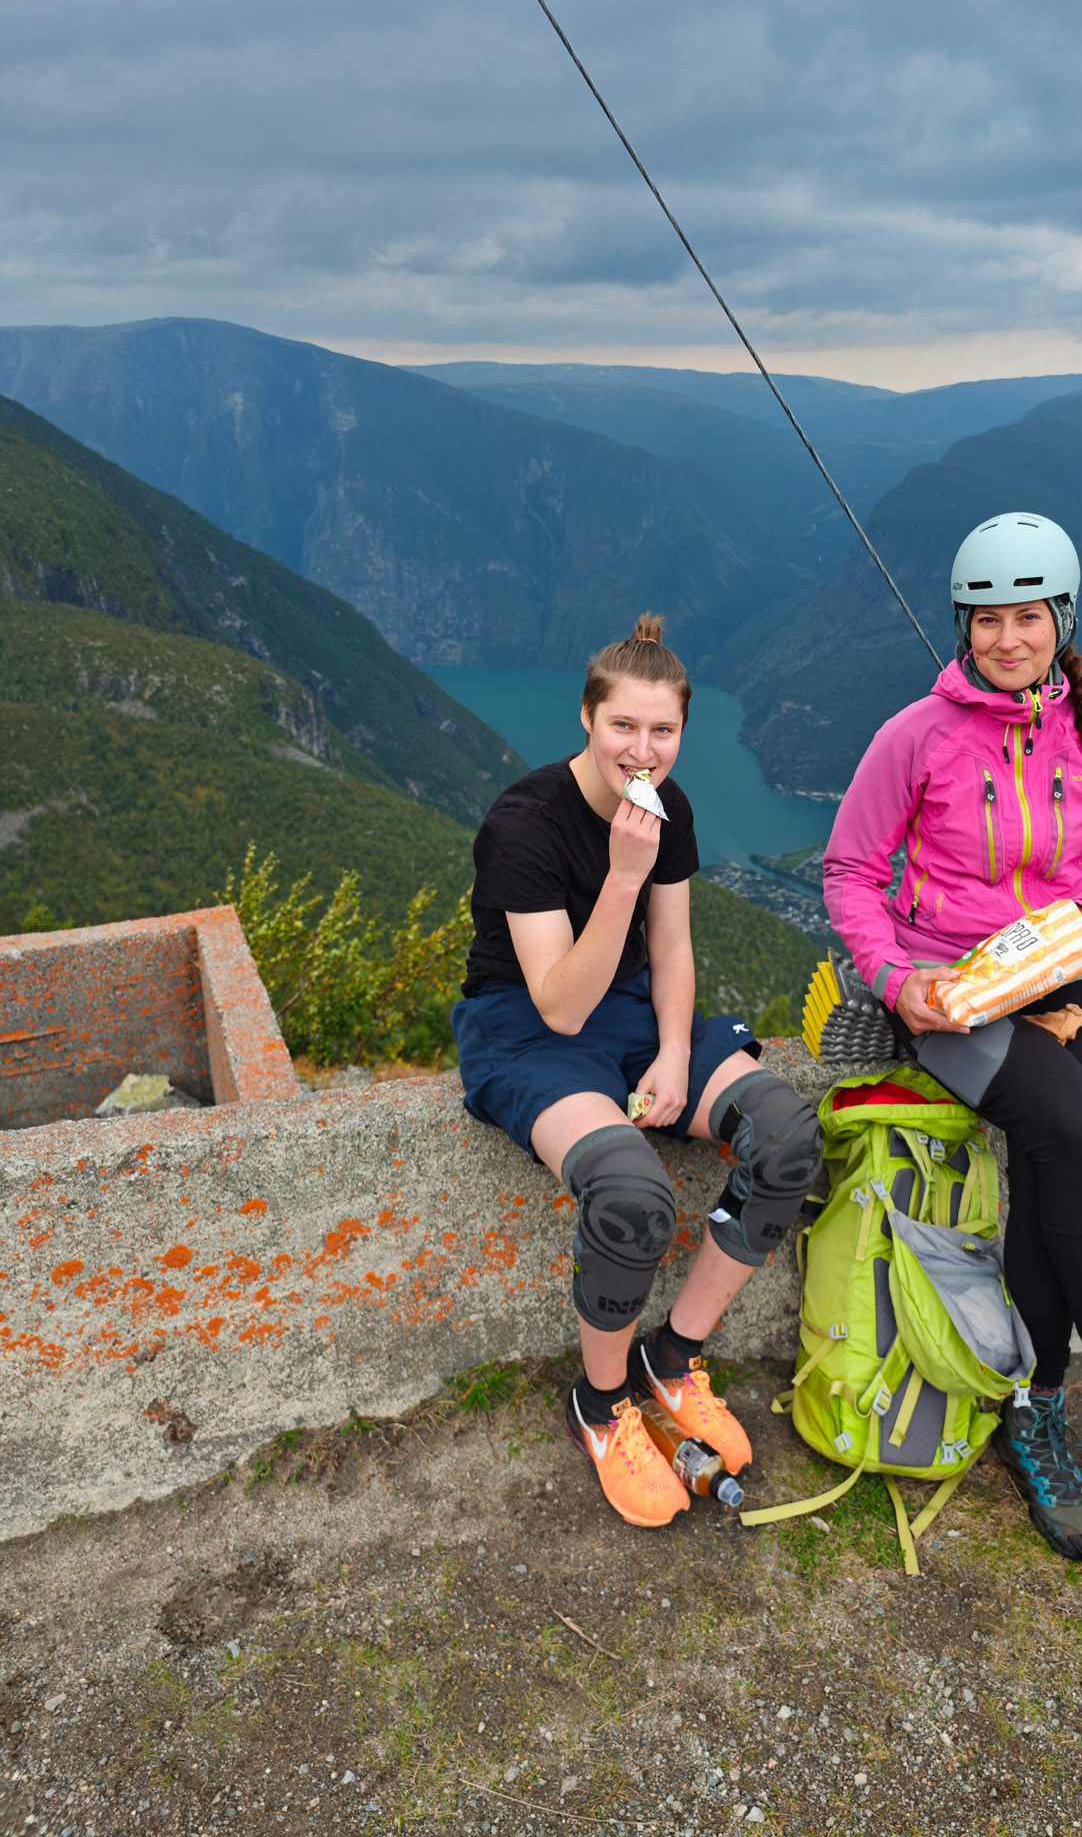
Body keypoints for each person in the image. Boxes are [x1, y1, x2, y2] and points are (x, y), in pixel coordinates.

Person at [822, 514, 1082, 1573]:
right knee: (1072, 1133)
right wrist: (898, 981)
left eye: (1027, 618)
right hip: (950, 990)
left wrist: (1079, 926)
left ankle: (1037, 1411)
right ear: (964, 625)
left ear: (1061, 622)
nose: (1007, 639)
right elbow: (850, 870)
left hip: (1067, 975)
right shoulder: (915, 735)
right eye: (987, 620)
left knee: (1051, 1165)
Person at [452, 615, 824, 1529]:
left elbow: (673, 948)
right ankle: (602, 1403)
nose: (643, 751)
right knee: (631, 1196)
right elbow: (558, 1005)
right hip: (526, 1026)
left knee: (785, 1139)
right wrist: (623, 874)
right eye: (623, 726)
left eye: (663, 731)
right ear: (586, 717)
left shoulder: (670, 807)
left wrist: (672, 1053)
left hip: (628, 1014)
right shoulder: (524, 823)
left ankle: (674, 1355)